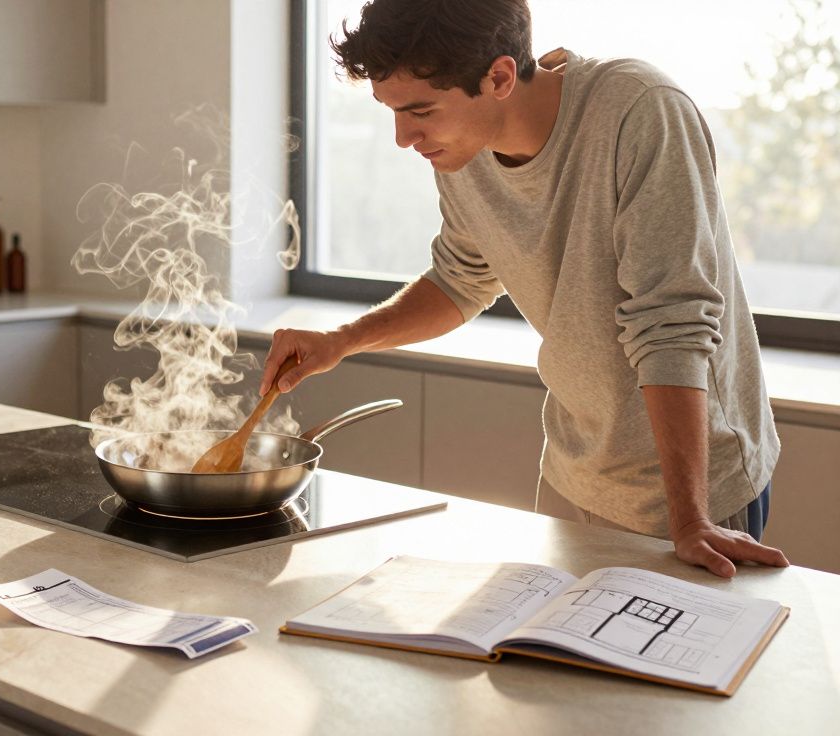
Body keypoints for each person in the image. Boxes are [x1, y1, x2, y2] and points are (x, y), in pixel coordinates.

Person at [262, 0, 789, 577]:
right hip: (573, 472)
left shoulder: (641, 112)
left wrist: (690, 519)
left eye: (420, 111)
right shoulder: (461, 152)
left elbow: (671, 325)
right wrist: (339, 342)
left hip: (695, 491)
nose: (402, 137)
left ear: (499, 77)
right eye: (392, 112)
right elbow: (459, 280)